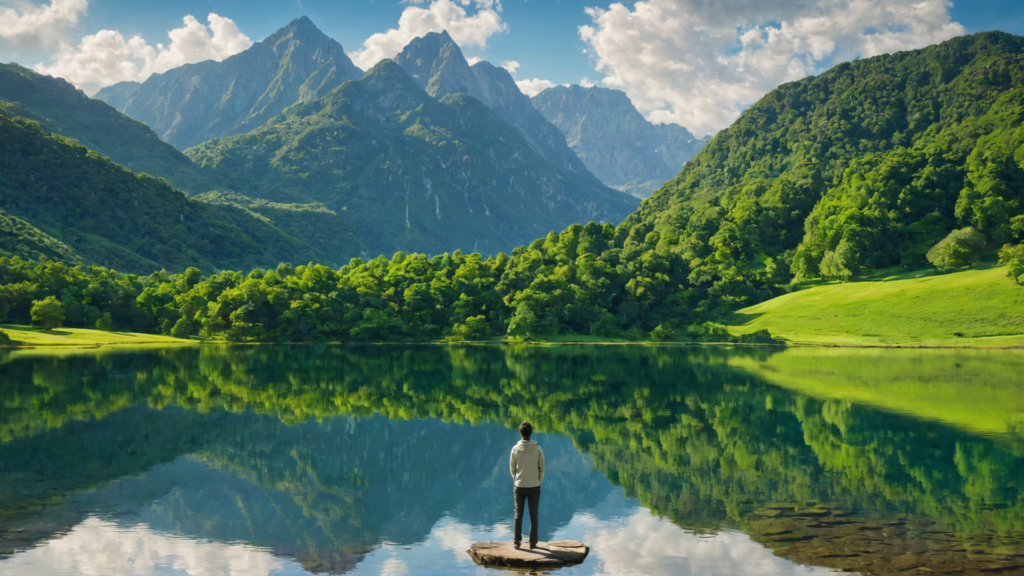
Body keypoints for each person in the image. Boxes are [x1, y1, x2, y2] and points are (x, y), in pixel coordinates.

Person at [510, 421, 545, 549]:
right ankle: (532, 542)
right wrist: (538, 481)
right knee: (534, 516)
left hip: (519, 486)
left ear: (520, 433)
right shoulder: (538, 449)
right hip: (534, 487)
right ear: (531, 433)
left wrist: (517, 480)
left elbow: (512, 469)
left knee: (518, 515)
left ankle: (517, 541)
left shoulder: (515, 449)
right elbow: (542, 468)